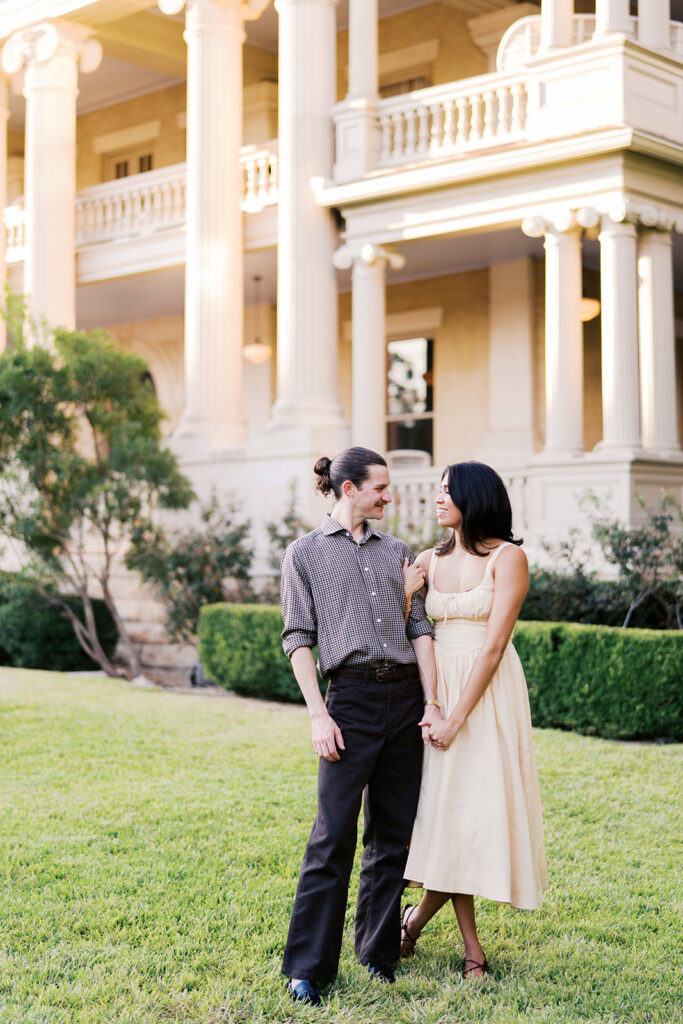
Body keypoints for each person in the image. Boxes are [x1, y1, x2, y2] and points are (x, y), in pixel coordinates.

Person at [279, 446, 439, 1006]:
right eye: (380, 487)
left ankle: (377, 956)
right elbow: (298, 638)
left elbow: (418, 628)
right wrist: (318, 714)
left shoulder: (397, 552)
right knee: (332, 837)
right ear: (348, 489)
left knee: (391, 836)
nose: (388, 496)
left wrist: (433, 701)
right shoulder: (302, 555)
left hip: (404, 697)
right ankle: (307, 968)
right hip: (348, 702)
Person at [400, 461, 548, 978]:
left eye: (447, 491)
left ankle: (415, 927)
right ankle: (468, 950)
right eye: (438, 490)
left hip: (487, 695)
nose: (438, 499)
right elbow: (406, 638)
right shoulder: (425, 560)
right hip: (437, 696)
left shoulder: (509, 559)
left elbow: (494, 645)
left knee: (472, 812)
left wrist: (457, 716)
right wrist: (432, 706)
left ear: (474, 497)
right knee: (449, 817)